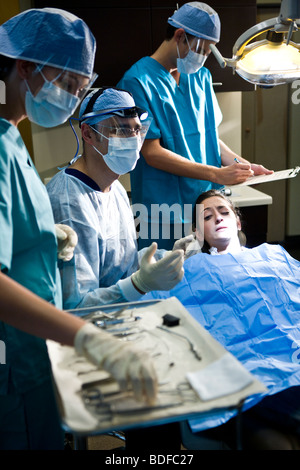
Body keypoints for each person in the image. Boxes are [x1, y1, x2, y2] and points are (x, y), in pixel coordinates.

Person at [0, 8, 158, 450]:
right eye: (68, 83)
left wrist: (48, 241)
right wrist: (88, 337)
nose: (72, 97)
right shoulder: (2, 150)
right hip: (18, 356)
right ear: (26, 66)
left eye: (81, 88)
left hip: (36, 352)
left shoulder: (12, 140)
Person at [146, 189, 300, 449]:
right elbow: (147, 305)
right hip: (239, 375)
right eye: (207, 217)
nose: (217, 217)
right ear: (197, 233)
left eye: (224, 211)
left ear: (238, 222)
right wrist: (173, 261)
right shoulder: (189, 270)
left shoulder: (273, 256)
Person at [117, 2, 273, 250]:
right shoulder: (137, 82)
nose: (207, 56)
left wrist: (240, 164)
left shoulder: (200, 76)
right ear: (180, 36)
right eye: (203, 49)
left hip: (204, 209)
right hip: (161, 212)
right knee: (165, 278)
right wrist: (216, 174)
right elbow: (151, 152)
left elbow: (209, 136)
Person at [47, 86, 185, 311]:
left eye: (137, 130)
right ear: (88, 133)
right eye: (121, 130)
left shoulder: (115, 188)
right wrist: (140, 284)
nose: (133, 139)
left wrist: (165, 259)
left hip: (118, 315)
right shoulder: (69, 202)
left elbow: (121, 266)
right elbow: (76, 307)